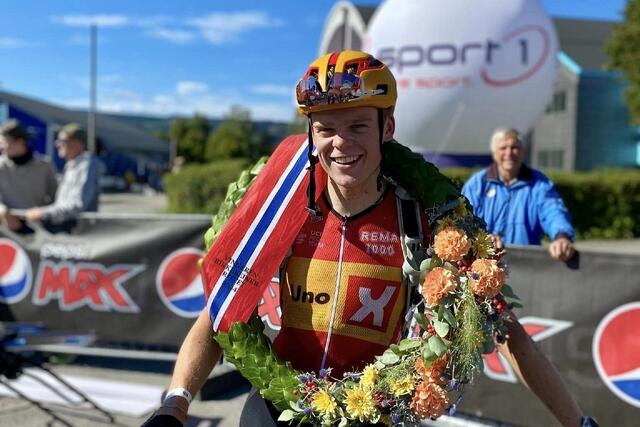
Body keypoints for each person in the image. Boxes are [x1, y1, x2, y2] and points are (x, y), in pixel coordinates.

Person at [144, 52, 594, 427]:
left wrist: (579, 423)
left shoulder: (422, 218)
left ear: (387, 129)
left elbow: (505, 330)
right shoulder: (281, 207)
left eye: (358, 126)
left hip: (374, 412)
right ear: (310, 135)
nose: (340, 144)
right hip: (279, 404)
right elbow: (221, 311)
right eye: (325, 129)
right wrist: (175, 404)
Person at [462, 128, 576, 261]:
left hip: (526, 266)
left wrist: (562, 237)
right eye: (503, 148)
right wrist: (482, 238)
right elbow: (464, 220)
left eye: (514, 147)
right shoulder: (477, 184)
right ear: (494, 153)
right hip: (481, 267)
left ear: (523, 152)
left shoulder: (540, 185)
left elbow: (554, 212)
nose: (509, 153)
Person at [25, 123, 100, 233]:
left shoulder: (87, 166)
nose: (57, 144)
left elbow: (77, 204)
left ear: (77, 143)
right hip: (66, 227)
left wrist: (43, 213)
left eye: (62, 141)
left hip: (77, 231)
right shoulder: (71, 165)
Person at [0, 119, 58, 233]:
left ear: (20, 141)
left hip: (40, 231)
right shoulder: (1, 166)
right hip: (6, 231)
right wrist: (2, 211)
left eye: (4, 142)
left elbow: (56, 197)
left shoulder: (45, 166)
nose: (2, 147)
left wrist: (43, 213)